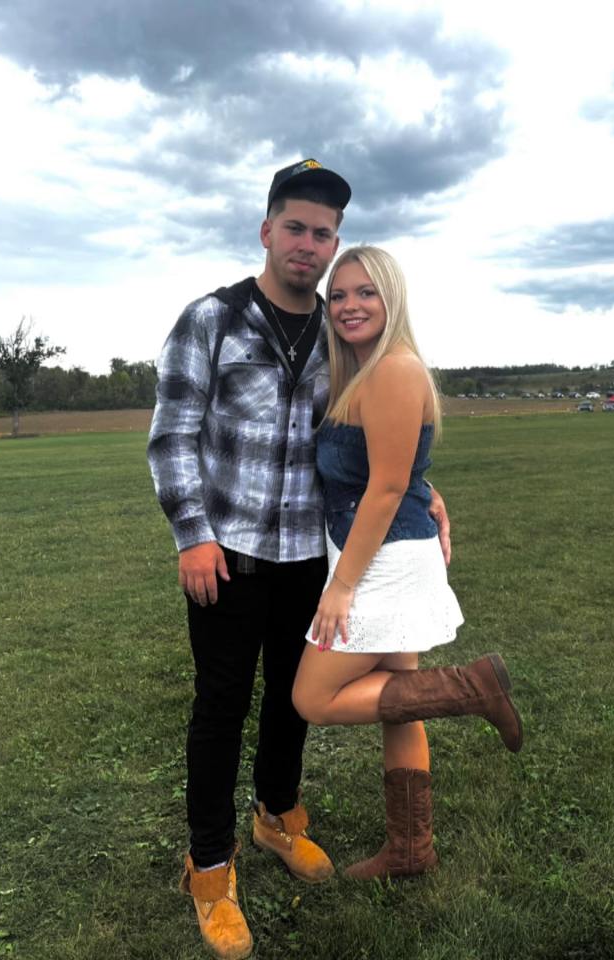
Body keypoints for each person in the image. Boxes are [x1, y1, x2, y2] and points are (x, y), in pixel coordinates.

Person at [147, 161, 451, 960]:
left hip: (309, 558)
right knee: (220, 708)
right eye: (295, 228)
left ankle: (277, 814)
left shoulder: (339, 330)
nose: (309, 246)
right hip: (227, 556)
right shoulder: (210, 318)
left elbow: (370, 434)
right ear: (267, 230)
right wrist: (192, 533)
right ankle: (210, 868)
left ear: (335, 242)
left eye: (323, 233)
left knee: (290, 700)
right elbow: (173, 433)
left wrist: (425, 485)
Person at [292, 245, 523, 881]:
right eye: (338, 296)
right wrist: (429, 488)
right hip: (382, 549)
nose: (348, 306)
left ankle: (473, 688)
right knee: (399, 701)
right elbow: (398, 469)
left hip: (383, 564)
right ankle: (411, 850)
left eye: (366, 292)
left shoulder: (394, 369)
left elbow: (387, 487)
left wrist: (340, 587)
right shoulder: (361, 373)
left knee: (312, 696)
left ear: (392, 299)